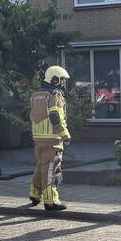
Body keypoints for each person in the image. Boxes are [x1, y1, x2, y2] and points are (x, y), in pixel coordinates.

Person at [29, 65, 71, 212]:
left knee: (41, 165)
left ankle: (34, 193)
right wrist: (65, 135)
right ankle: (51, 200)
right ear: (54, 79)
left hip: (38, 137)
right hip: (53, 138)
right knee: (51, 170)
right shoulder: (55, 95)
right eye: (62, 80)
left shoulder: (35, 95)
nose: (64, 83)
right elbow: (56, 117)